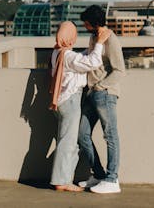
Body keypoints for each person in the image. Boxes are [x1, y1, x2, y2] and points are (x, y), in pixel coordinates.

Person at [48, 21, 111, 192]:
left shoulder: (57, 52)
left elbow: (80, 59)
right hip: (70, 101)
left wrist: (90, 48)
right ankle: (61, 181)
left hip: (61, 101)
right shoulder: (67, 56)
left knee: (70, 141)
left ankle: (64, 178)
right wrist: (99, 44)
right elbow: (92, 63)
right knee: (67, 142)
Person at [77, 5, 125, 194]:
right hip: (91, 93)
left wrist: (101, 86)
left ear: (93, 22)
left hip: (104, 93)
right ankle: (98, 175)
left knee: (110, 136)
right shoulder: (94, 37)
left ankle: (112, 179)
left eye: (86, 22)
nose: (84, 25)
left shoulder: (111, 40)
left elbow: (120, 70)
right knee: (82, 135)